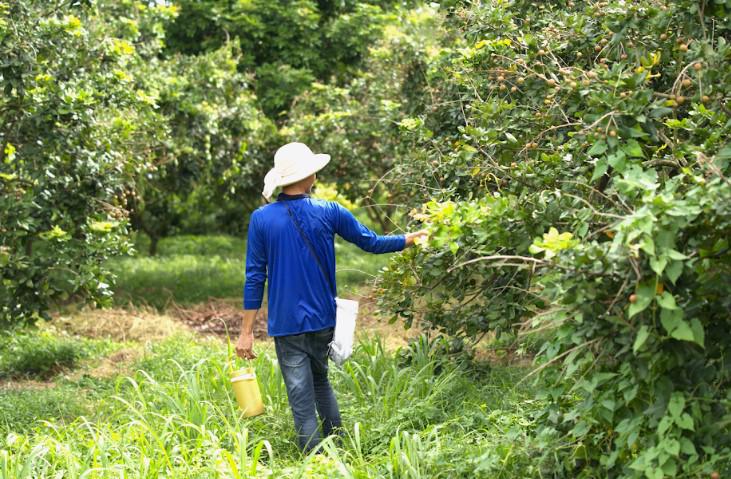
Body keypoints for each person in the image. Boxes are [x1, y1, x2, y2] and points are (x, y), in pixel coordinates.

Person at [235, 142, 426, 452]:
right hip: (324, 318)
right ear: (310, 176)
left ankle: (314, 463)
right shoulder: (330, 211)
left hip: (286, 324)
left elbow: (255, 277)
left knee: (301, 395)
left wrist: (245, 333)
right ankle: (338, 448)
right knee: (320, 382)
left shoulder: (261, 219)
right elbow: (371, 242)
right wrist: (408, 239)